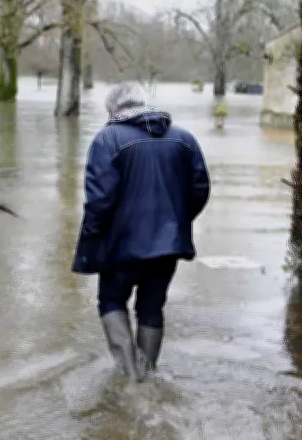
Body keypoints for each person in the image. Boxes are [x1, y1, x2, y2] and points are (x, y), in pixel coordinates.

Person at [71, 82, 211, 382]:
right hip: (168, 247)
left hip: (121, 246)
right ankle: (148, 375)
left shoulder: (107, 138)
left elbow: (99, 199)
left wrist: (94, 238)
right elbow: (200, 189)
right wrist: (176, 223)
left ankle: (131, 378)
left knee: (111, 301)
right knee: (151, 307)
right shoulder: (185, 139)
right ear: (145, 103)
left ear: (112, 109)